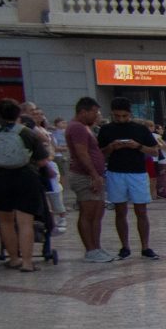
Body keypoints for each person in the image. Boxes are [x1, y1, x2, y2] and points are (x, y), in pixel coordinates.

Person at [0, 101, 48, 271]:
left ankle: (14, 258)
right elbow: (42, 160)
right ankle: (27, 262)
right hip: (25, 178)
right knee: (25, 222)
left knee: (5, 221)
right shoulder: (26, 132)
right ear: (18, 114)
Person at [98, 104, 161, 260]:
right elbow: (100, 153)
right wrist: (111, 147)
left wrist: (138, 146)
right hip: (116, 172)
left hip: (137, 172)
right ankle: (124, 246)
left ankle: (145, 247)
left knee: (141, 210)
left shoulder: (140, 129)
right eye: (117, 116)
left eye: (124, 116)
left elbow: (155, 151)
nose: (121, 119)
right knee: (120, 210)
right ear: (112, 114)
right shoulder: (106, 130)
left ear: (130, 114)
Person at [62, 97, 109, 261]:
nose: (96, 116)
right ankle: (90, 249)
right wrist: (94, 175)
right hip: (85, 176)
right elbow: (82, 153)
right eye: (94, 112)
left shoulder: (84, 127)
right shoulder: (77, 128)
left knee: (97, 212)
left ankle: (96, 247)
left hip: (92, 175)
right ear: (83, 111)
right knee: (88, 213)